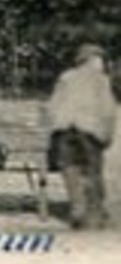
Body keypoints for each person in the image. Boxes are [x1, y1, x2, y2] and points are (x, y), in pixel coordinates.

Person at [47, 43, 117, 229]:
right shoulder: (100, 80)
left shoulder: (66, 77)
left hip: (63, 131)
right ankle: (95, 213)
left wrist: (56, 128)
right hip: (89, 130)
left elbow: (53, 105)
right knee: (92, 171)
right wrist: (107, 136)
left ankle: (77, 209)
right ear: (92, 60)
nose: (102, 64)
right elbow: (107, 110)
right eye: (100, 60)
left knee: (70, 170)